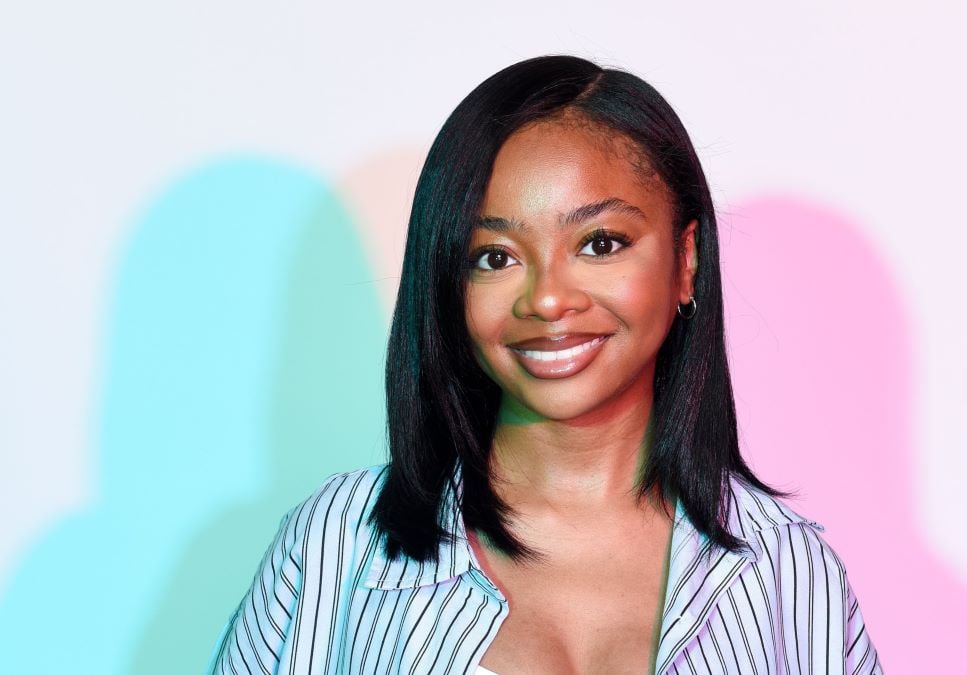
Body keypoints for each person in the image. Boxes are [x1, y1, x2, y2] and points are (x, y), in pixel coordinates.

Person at [206, 54, 884, 675]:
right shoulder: (339, 545)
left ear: (686, 260)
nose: (549, 297)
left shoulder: (791, 572)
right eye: (495, 256)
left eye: (601, 242)